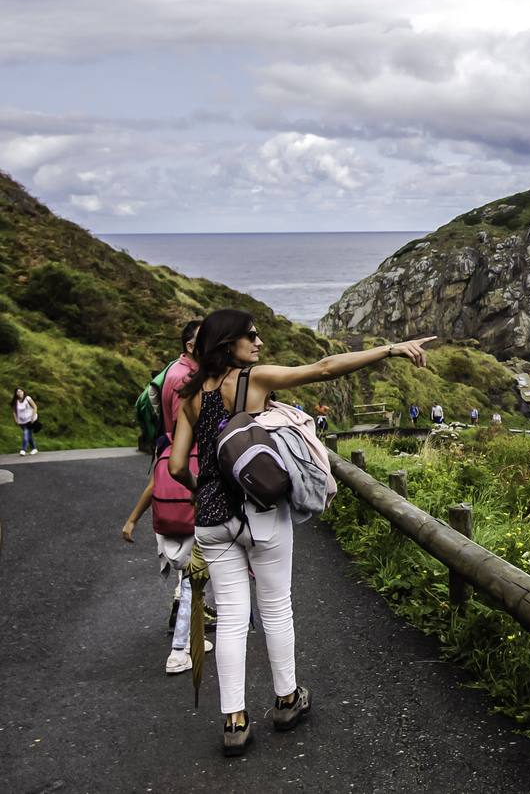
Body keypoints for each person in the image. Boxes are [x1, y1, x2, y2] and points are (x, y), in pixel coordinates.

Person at [168, 308, 433, 756]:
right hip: (261, 511)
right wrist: (390, 349)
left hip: (212, 520)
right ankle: (287, 699)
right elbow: (324, 368)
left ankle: (234, 720)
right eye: (250, 336)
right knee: (275, 607)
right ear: (227, 343)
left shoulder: (191, 395)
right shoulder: (251, 380)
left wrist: (206, 491)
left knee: (232, 619)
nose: (258, 342)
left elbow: (177, 466)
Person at [121, 320, 209, 674]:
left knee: (197, 574)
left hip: (175, 462)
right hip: (190, 465)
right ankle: (179, 650)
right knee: (195, 574)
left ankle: (192, 636)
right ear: (190, 346)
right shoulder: (183, 379)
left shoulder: (180, 371)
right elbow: (180, 436)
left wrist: (131, 519)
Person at [11, 387, 39, 455]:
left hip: (30, 420)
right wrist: (16, 420)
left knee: (26, 433)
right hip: (21, 422)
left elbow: (35, 407)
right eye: (18, 392)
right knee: (29, 435)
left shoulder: (28, 398)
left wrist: (32, 417)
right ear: (16, 393)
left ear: (23, 392)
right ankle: (34, 448)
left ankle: (23, 449)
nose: (19, 393)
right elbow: (14, 412)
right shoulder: (15, 401)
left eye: (21, 391)